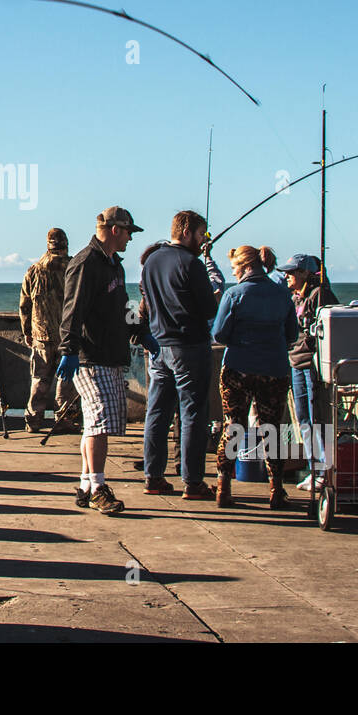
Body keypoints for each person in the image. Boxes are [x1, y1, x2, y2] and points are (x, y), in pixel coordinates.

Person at [57, 206, 158, 515]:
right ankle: (100, 486)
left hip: (108, 356)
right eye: (129, 232)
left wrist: (140, 333)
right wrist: (69, 350)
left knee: (94, 423)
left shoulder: (114, 264)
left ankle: (86, 485)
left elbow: (122, 305)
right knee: (100, 422)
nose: (130, 238)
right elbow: (72, 309)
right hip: (90, 357)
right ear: (115, 230)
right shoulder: (86, 263)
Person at [139, 210, 224, 499]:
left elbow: (147, 302)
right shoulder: (192, 264)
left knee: (157, 412)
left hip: (159, 347)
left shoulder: (150, 261)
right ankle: (193, 481)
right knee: (192, 414)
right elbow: (209, 310)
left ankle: (153, 476)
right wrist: (215, 295)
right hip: (189, 347)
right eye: (202, 235)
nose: (203, 241)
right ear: (187, 232)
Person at [211, 244, 299, 510]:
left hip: (238, 368)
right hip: (274, 369)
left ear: (245, 266)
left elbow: (219, 334)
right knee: (272, 430)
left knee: (233, 427)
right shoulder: (282, 294)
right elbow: (292, 335)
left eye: (235, 268)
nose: (234, 273)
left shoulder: (234, 294)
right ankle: (276, 489)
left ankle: (223, 488)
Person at [279, 254, 338, 489]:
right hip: (296, 363)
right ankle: (314, 468)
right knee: (303, 418)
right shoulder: (296, 297)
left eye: (291, 272)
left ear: (304, 273)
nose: (286, 276)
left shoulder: (320, 295)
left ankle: (325, 469)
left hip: (312, 365)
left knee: (317, 418)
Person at [19, 228, 80, 433]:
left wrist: (27, 330)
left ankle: (33, 420)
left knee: (39, 380)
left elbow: (24, 306)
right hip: (67, 335)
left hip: (41, 335)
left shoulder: (33, 270)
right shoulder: (73, 267)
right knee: (66, 381)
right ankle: (63, 419)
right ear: (65, 244)